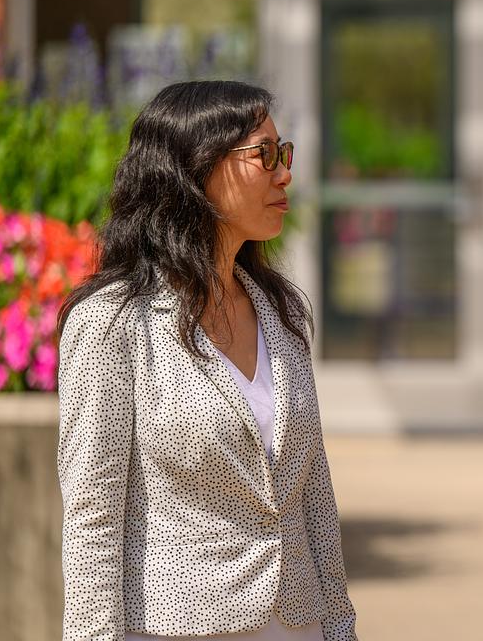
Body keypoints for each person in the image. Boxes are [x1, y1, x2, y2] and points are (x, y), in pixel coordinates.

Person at [56, 81, 357, 641]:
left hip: (298, 622)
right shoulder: (113, 326)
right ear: (196, 171)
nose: (284, 173)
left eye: (283, 153)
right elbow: (92, 523)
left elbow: (315, 496)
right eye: (263, 155)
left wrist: (340, 628)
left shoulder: (281, 309)